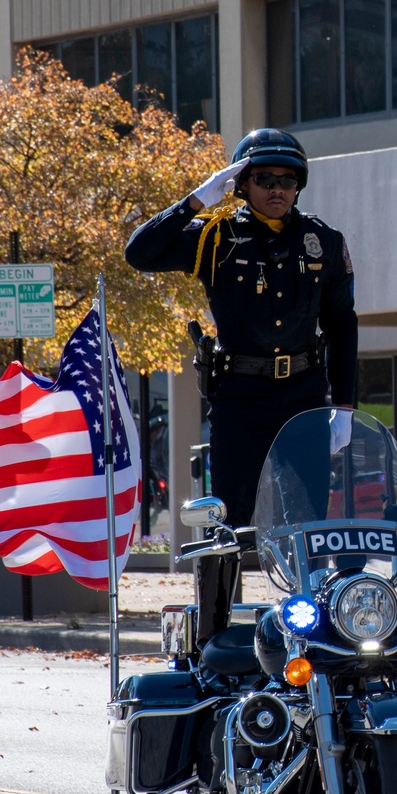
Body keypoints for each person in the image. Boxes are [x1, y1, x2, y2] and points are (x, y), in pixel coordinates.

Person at [125, 128, 358, 641]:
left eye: (288, 179)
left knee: (308, 522)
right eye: (264, 178)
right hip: (240, 397)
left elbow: (342, 325)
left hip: (302, 394)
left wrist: (343, 405)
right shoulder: (215, 236)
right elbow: (139, 254)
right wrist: (191, 203)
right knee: (225, 521)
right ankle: (216, 635)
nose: (277, 188)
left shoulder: (322, 241)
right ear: (240, 183)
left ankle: (313, 632)